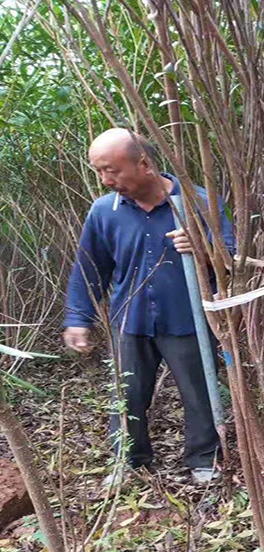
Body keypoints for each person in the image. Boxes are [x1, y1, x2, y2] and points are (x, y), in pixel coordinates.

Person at [62, 128, 233, 485]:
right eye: (99, 172)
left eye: (112, 170)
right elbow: (90, 268)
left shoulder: (197, 202)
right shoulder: (104, 211)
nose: (106, 180)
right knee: (127, 394)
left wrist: (203, 251)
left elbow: (232, 262)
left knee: (199, 392)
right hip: (130, 319)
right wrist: (79, 318)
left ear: (144, 164)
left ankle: (204, 459)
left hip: (188, 319)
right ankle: (129, 460)